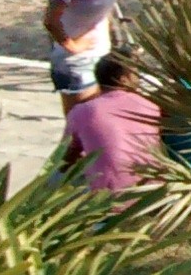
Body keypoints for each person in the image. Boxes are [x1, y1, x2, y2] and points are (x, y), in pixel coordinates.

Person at [60, 56, 164, 191]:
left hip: (106, 197)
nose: (138, 79)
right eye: (135, 74)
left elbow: (65, 157)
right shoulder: (150, 106)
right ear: (123, 80)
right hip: (151, 191)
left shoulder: (81, 111)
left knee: (55, 177)